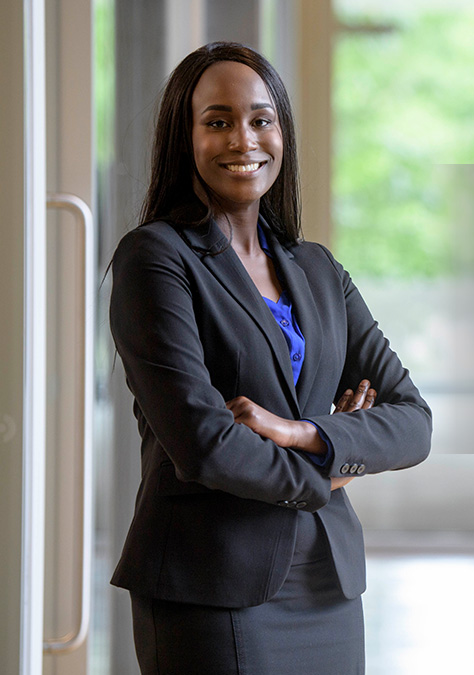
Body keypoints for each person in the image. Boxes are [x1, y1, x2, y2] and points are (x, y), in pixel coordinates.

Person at [108, 42, 431, 674]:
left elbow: (413, 422)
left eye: (261, 119)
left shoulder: (317, 269)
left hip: (327, 586)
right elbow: (205, 446)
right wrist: (332, 475)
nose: (244, 140)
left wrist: (302, 433)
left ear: (283, 133)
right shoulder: (156, 259)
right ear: (185, 136)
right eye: (218, 121)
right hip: (212, 585)